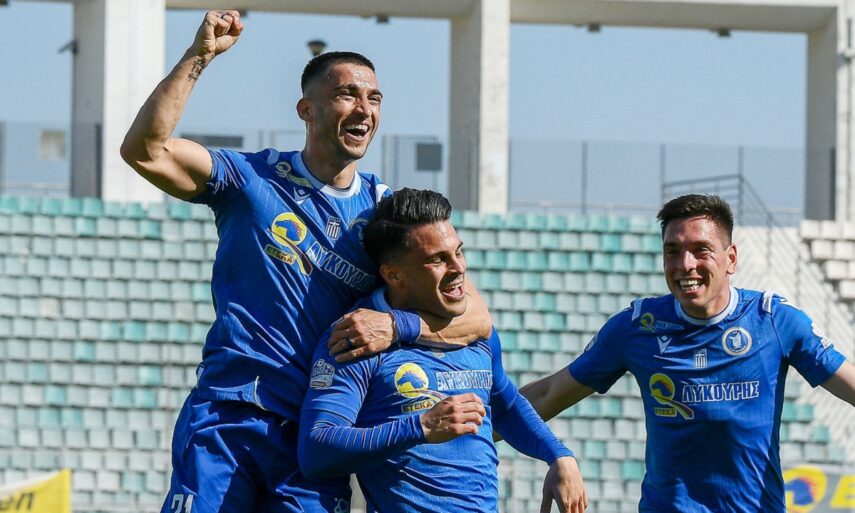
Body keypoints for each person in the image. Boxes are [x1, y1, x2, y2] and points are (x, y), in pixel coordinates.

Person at [120, 10, 491, 513]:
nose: (364, 108)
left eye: (374, 98)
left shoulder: (385, 216)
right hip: (231, 413)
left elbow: (476, 318)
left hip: (315, 438)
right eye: (347, 95)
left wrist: (395, 326)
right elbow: (145, 151)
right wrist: (199, 56)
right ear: (306, 109)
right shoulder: (252, 180)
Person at [519, 194, 855, 513]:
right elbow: (549, 394)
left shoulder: (773, 321)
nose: (685, 264)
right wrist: (486, 427)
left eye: (700, 250)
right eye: (673, 251)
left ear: (731, 259)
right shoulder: (637, 327)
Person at [298, 188, 588, 513]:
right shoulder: (357, 338)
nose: (458, 268)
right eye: (437, 259)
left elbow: (504, 405)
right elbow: (316, 450)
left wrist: (558, 455)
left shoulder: (473, 330)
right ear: (393, 274)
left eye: (459, 252)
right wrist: (421, 427)